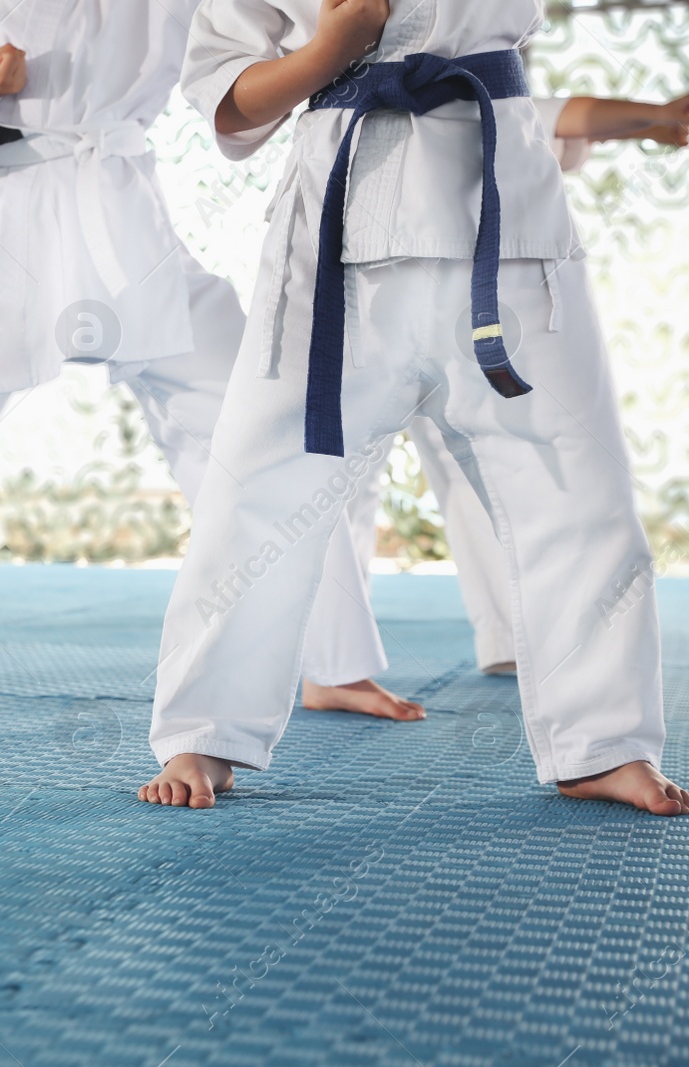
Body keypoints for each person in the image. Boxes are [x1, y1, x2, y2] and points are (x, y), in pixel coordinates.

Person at [0, 0, 420, 722]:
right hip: (18, 238)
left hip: (130, 233)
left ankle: (336, 663)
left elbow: (264, 45)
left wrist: (338, 41)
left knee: (265, 429)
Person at [140, 0, 686, 816]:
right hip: (339, 235)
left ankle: (602, 742)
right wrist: (333, 43)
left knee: (578, 487)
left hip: (504, 216)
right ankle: (207, 728)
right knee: (259, 487)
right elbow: (230, 98)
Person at [355, 91, 689, 677]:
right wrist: (657, 116)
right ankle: (338, 665)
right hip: (406, 282)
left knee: (411, 475)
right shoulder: (438, 90)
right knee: (350, 478)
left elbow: (557, 119)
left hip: (426, 281)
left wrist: (656, 119)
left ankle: (504, 640)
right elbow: (563, 114)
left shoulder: (469, 94)